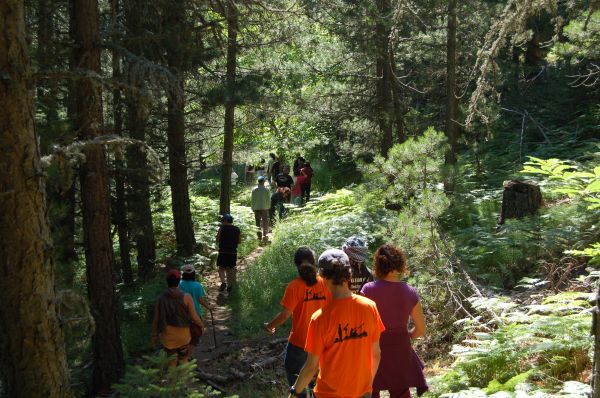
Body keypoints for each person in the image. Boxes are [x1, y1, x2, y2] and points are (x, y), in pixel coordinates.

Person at [289, 249, 385, 398]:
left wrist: (295, 392)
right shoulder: (370, 307)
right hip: (362, 392)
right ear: (349, 273)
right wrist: (368, 386)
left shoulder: (319, 319)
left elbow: (311, 367)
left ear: (322, 276)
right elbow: (376, 354)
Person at [360, 244, 428, 398]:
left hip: (374, 347)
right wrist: (407, 336)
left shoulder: (368, 290)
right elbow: (421, 329)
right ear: (400, 264)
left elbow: (360, 326)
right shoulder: (409, 292)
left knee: (371, 390)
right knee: (401, 392)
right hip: (400, 348)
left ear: (378, 265)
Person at [265, 247, 332, 398]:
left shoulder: (294, 286)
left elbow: (285, 315)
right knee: (317, 380)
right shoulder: (325, 283)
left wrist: (270, 326)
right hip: (323, 342)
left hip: (300, 342)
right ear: (315, 263)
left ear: (296, 265)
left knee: (294, 375)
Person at [151, 268, 204, 366]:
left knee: (172, 361)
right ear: (179, 281)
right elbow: (195, 317)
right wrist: (201, 326)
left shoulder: (160, 299)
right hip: (184, 336)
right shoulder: (187, 297)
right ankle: (183, 378)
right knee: (183, 358)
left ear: (167, 282)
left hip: (167, 337)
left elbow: (156, 320)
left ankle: (174, 378)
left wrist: (154, 335)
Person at [216, 214, 241, 292]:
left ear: (226, 221)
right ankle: (230, 285)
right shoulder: (237, 229)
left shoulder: (222, 228)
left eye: (223, 220)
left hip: (223, 251)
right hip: (233, 252)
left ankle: (223, 283)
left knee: (221, 268)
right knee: (231, 268)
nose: (222, 222)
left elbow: (217, 239)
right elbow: (239, 241)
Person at [251, 176, 271, 242]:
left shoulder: (254, 189)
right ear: (263, 182)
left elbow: (252, 199)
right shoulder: (267, 190)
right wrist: (268, 207)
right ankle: (264, 235)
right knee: (265, 221)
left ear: (258, 181)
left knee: (257, 222)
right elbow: (268, 199)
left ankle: (259, 236)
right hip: (264, 207)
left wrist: (252, 207)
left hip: (256, 207)